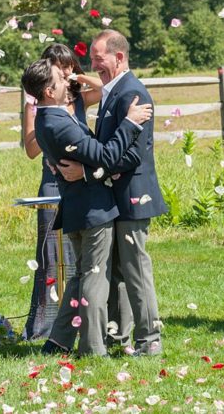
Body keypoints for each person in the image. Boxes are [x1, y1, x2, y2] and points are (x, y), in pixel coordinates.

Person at [22, 58, 152, 355]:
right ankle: (93, 347)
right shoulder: (56, 122)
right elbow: (105, 155)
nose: (66, 83)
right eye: (59, 80)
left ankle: (59, 340)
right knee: (95, 277)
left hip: (79, 207)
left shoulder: (48, 117)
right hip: (93, 208)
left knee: (82, 275)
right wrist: (130, 122)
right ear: (46, 91)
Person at [58, 29, 167, 356]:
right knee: (118, 274)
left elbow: (134, 155)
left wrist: (87, 172)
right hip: (114, 198)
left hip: (134, 198)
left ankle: (150, 342)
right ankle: (118, 338)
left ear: (119, 57)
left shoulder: (134, 94)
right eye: (92, 59)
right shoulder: (112, 91)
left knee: (136, 273)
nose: (94, 66)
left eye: (98, 59)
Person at [20, 43, 103, 340]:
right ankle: (44, 322)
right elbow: (30, 149)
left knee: (77, 256)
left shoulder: (79, 98)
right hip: (53, 179)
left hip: (81, 179)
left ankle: (77, 320)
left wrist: (80, 82)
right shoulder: (37, 107)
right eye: (58, 66)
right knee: (50, 256)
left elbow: (107, 88)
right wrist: (52, 130)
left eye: (68, 66)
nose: (65, 71)